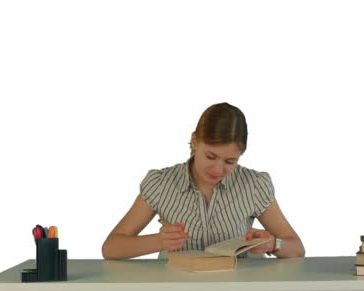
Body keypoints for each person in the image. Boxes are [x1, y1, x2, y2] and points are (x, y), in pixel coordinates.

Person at [102, 102, 305, 259]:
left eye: (230, 161)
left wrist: (273, 244)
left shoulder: (254, 185)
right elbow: (111, 248)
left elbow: (297, 247)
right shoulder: (161, 183)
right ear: (194, 141)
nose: (218, 169)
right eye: (210, 156)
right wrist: (158, 241)